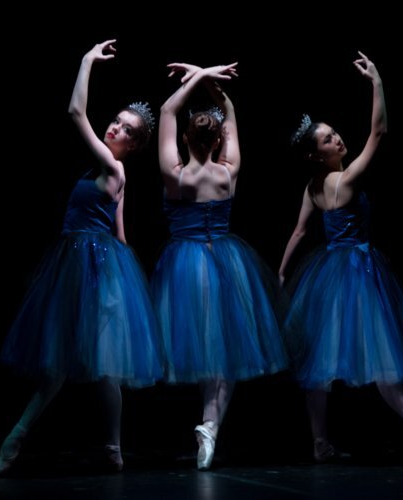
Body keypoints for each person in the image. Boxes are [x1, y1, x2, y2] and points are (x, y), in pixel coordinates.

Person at [0, 39, 163, 474]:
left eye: (125, 128)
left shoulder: (114, 167)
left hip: (93, 268)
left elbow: (74, 112)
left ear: (136, 142)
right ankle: (20, 436)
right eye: (114, 122)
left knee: (102, 366)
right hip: (81, 264)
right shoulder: (106, 172)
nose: (113, 128)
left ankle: (111, 448)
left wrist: (87, 61)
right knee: (60, 364)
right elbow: (120, 232)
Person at [278, 51, 403, 468]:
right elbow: (379, 131)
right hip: (356, 272)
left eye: (335, 133)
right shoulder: (344, 178)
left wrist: (284, 271)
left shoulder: (313, 186)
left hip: (328, 275)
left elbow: (300, 233)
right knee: (379, 358)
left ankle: (322, 442)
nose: (338, 139)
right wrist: (376, 80)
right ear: (316, 154)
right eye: (328, 140)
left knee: (319, 364)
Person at [151, 62, 288, 470]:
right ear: (216, 142)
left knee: (211, 349)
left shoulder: (175, 176)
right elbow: (229, 114)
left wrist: (197, 75)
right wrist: (210, 79)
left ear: (187, 137)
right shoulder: (229, 173)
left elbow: (166, 112)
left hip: (188, 266)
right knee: (225, 348)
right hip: (226, 263)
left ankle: (209, 428)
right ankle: (210, 426)